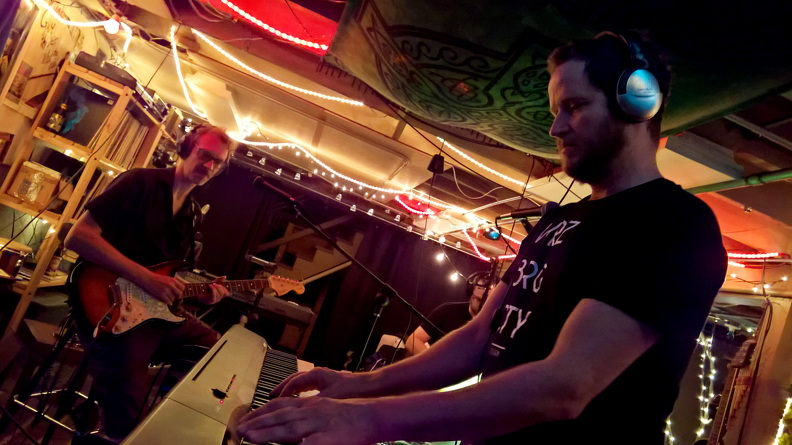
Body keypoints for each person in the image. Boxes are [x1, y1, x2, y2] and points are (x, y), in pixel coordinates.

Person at [233, 31, 727, 445]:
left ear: (638, 102)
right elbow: (480, 337)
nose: (556, 128)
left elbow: (565, 386)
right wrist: (359, 386)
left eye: (575, 106)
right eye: (556, 109)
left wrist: (368, 420)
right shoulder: (559, 220)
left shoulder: (673, 223)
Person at [64, 123, 235, 441]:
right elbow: (78, 237)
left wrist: (202, 295)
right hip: (106, 303)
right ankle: (118, 434)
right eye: (205, 154)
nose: (209, 165)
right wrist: (145, 277)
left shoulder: (191, 213)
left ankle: (162, 419)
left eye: (218, 162)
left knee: (214, 349)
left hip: (150, 311)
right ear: (186, 148)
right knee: (127, 395)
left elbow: (167, 276)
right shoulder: (140, 182)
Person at [404, 271, 492, 356]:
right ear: (470, 294)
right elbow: (412, 341)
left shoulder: (493, 325)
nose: (482, 305)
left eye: (486, 302)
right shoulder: (447, 310)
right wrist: (435, 362)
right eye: (478, 300)